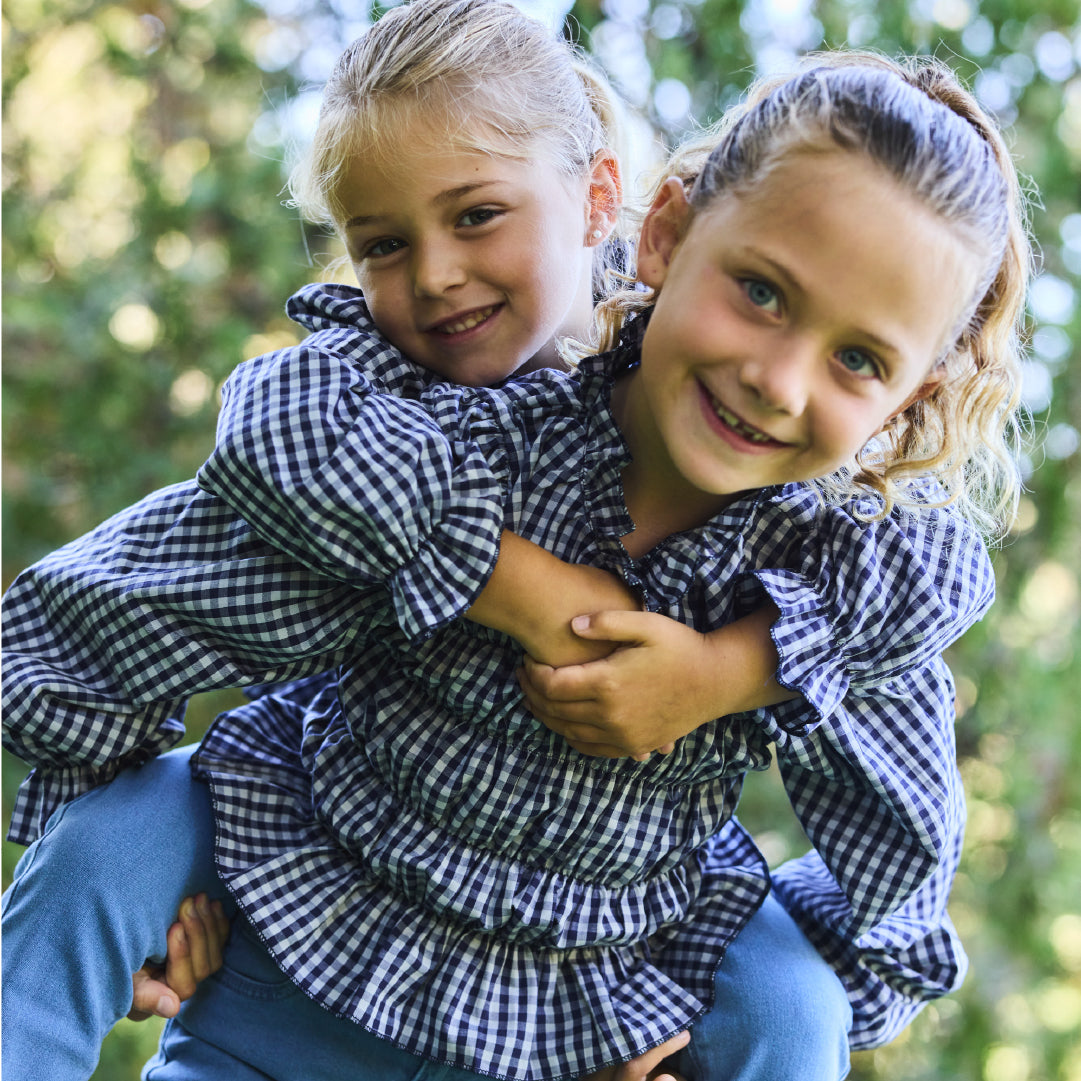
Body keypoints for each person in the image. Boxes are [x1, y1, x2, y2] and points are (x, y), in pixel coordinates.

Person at [1, 20, 1027, 1081]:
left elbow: (899, 861)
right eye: (760, 292)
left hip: (554, 1032)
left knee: (792, 1009)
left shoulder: (818, 590)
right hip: (291, 961)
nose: (778, 378)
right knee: (114, 835)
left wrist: (728, 674)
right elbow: (154, 577)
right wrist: (510, 584)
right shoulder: (461, 447)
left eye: (857, 358)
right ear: (666, 232)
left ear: (916, 398)